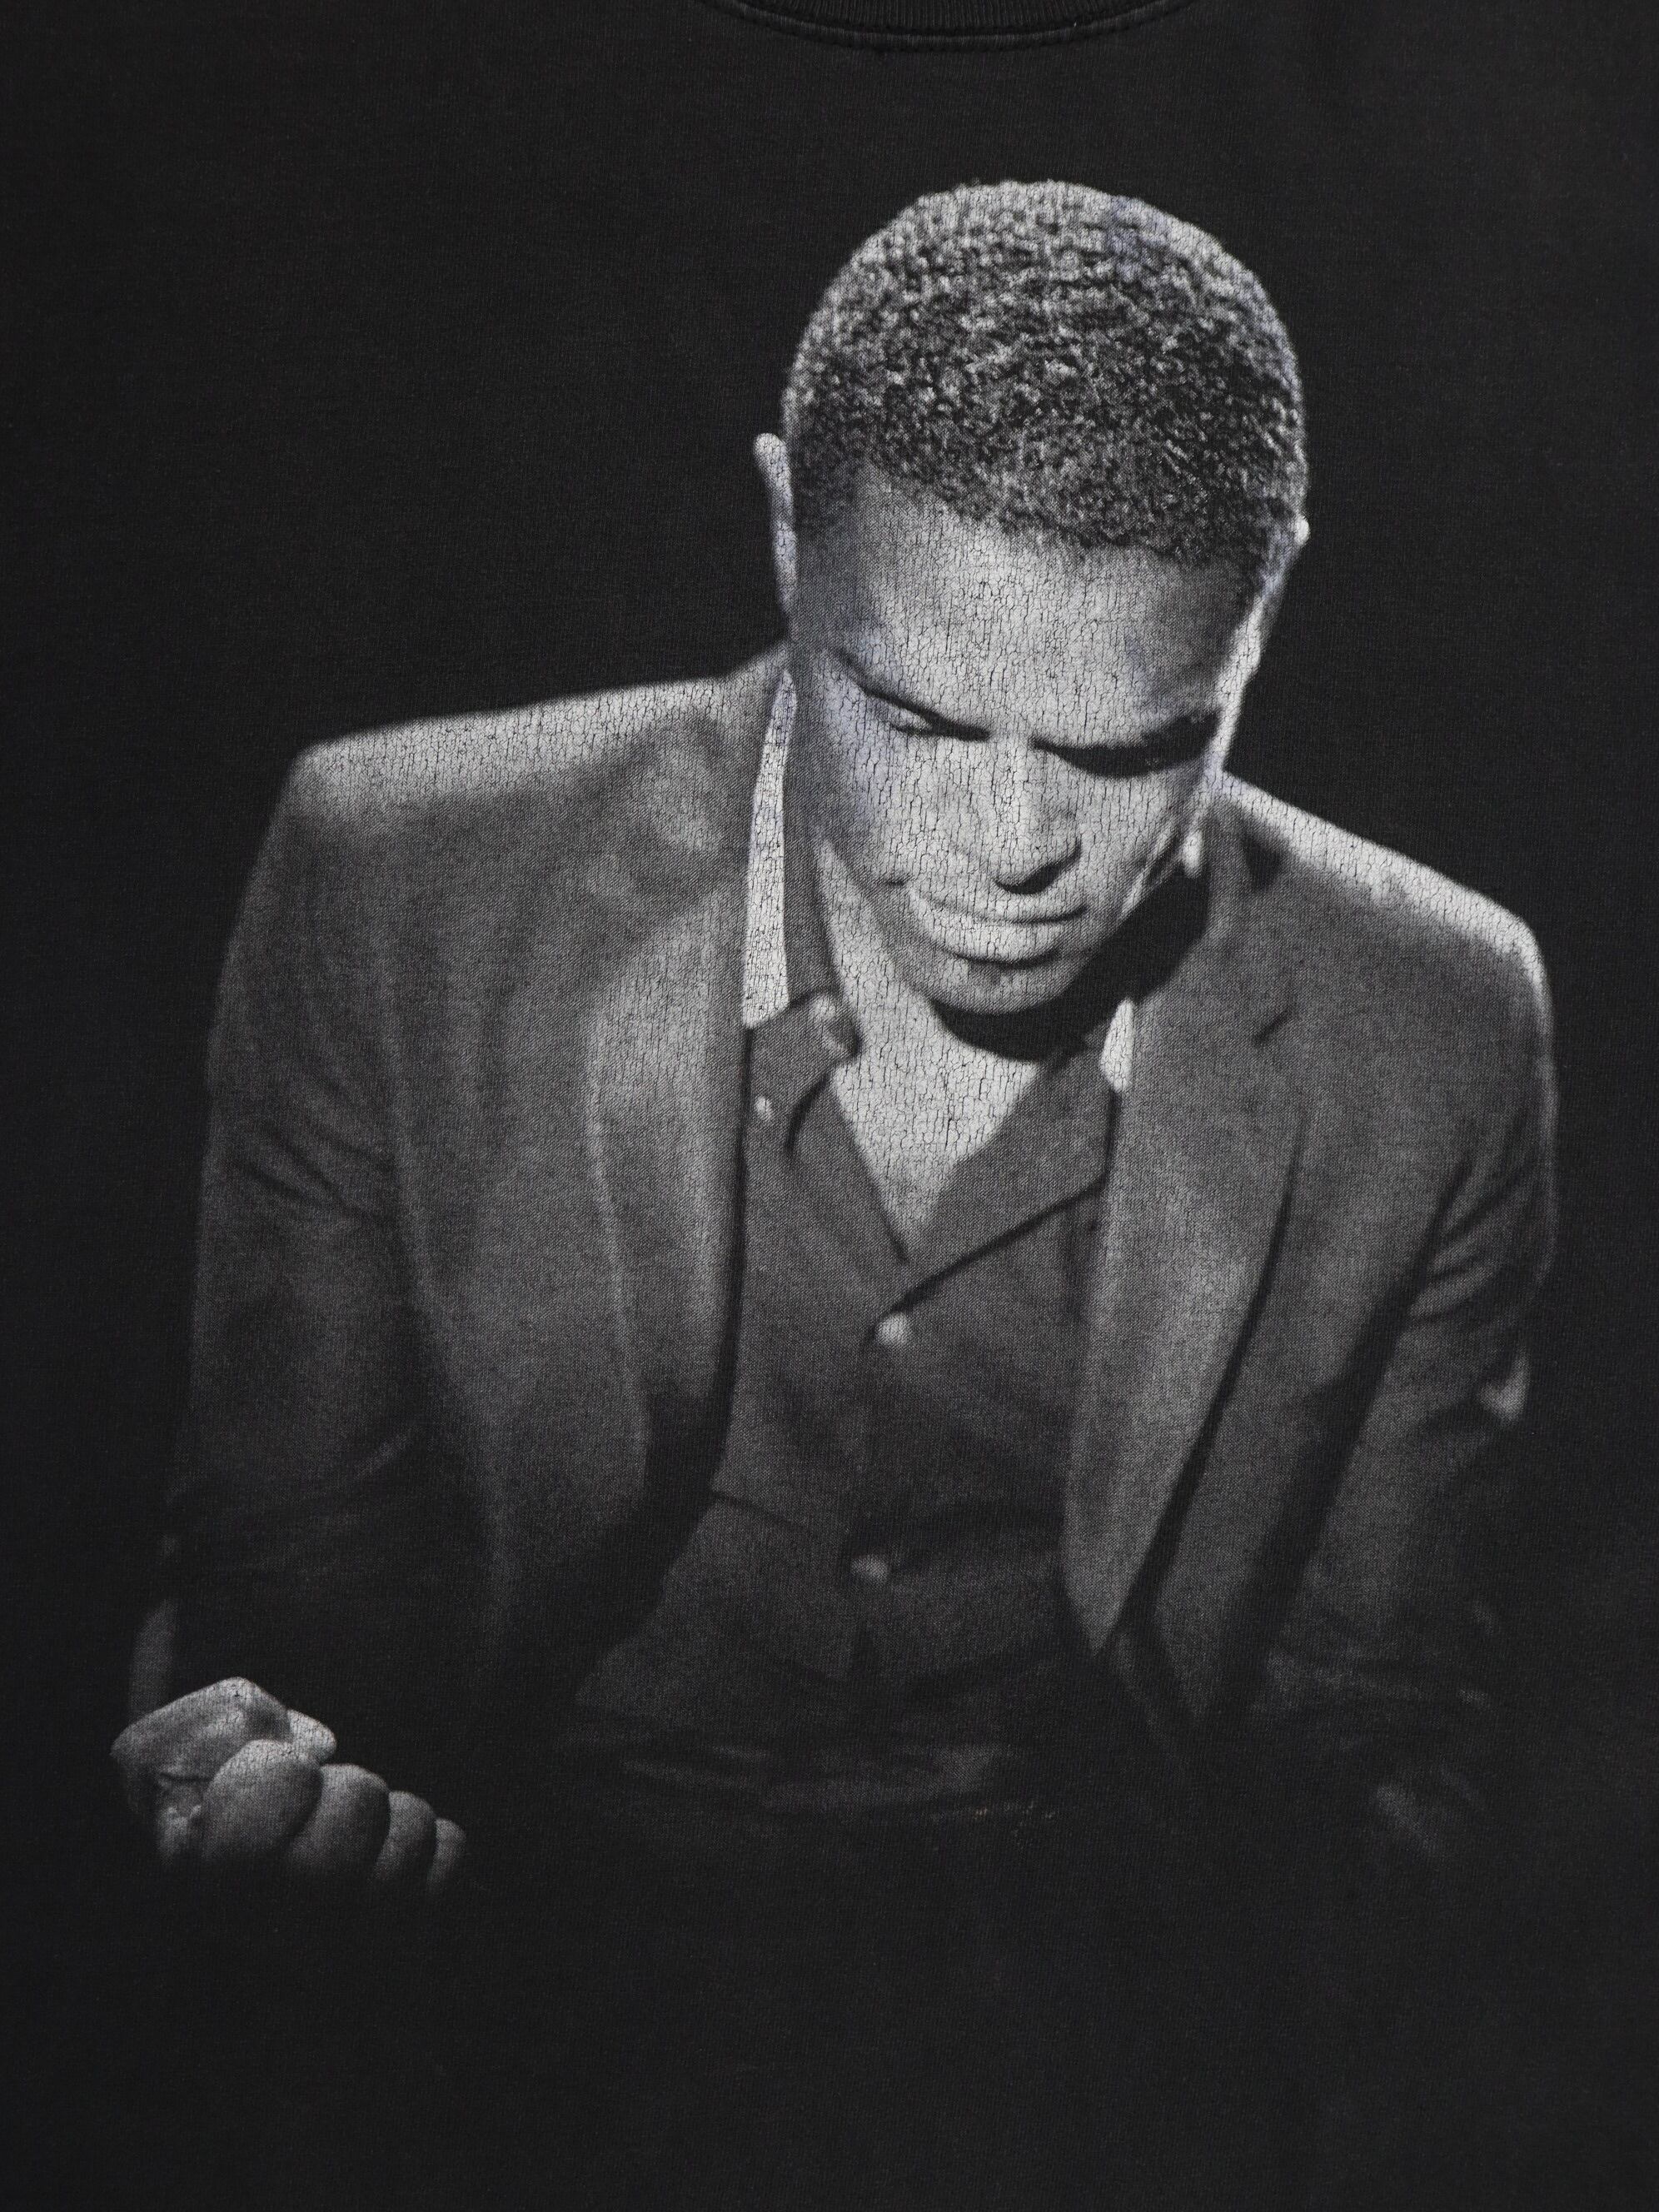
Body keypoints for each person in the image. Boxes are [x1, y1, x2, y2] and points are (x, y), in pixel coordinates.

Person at [112, 183, 1557, 2209]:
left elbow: (1380, 1737)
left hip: (1097, 2038)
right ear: (790, 530)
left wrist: (1230, 2091)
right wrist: (260, 1803)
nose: (1017, 844)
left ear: (1267, 606)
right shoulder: (395, 879)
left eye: (1133, 746)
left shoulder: (1442, 1020)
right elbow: (289, 1594)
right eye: (920, 716)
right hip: (504, 1988)